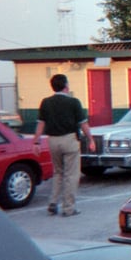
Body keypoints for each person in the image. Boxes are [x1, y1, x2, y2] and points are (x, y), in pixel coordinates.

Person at [33, 74, 95, 217]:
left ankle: (53, 202)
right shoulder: (74, 102)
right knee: (71, 175)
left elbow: (41, 124)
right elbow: (83, 124)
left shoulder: (46, 102)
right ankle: (68, 208)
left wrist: (36, 142)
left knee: (58, 172)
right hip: (69, 139)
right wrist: (90, 139)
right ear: (66, 85)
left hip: (53, 140)